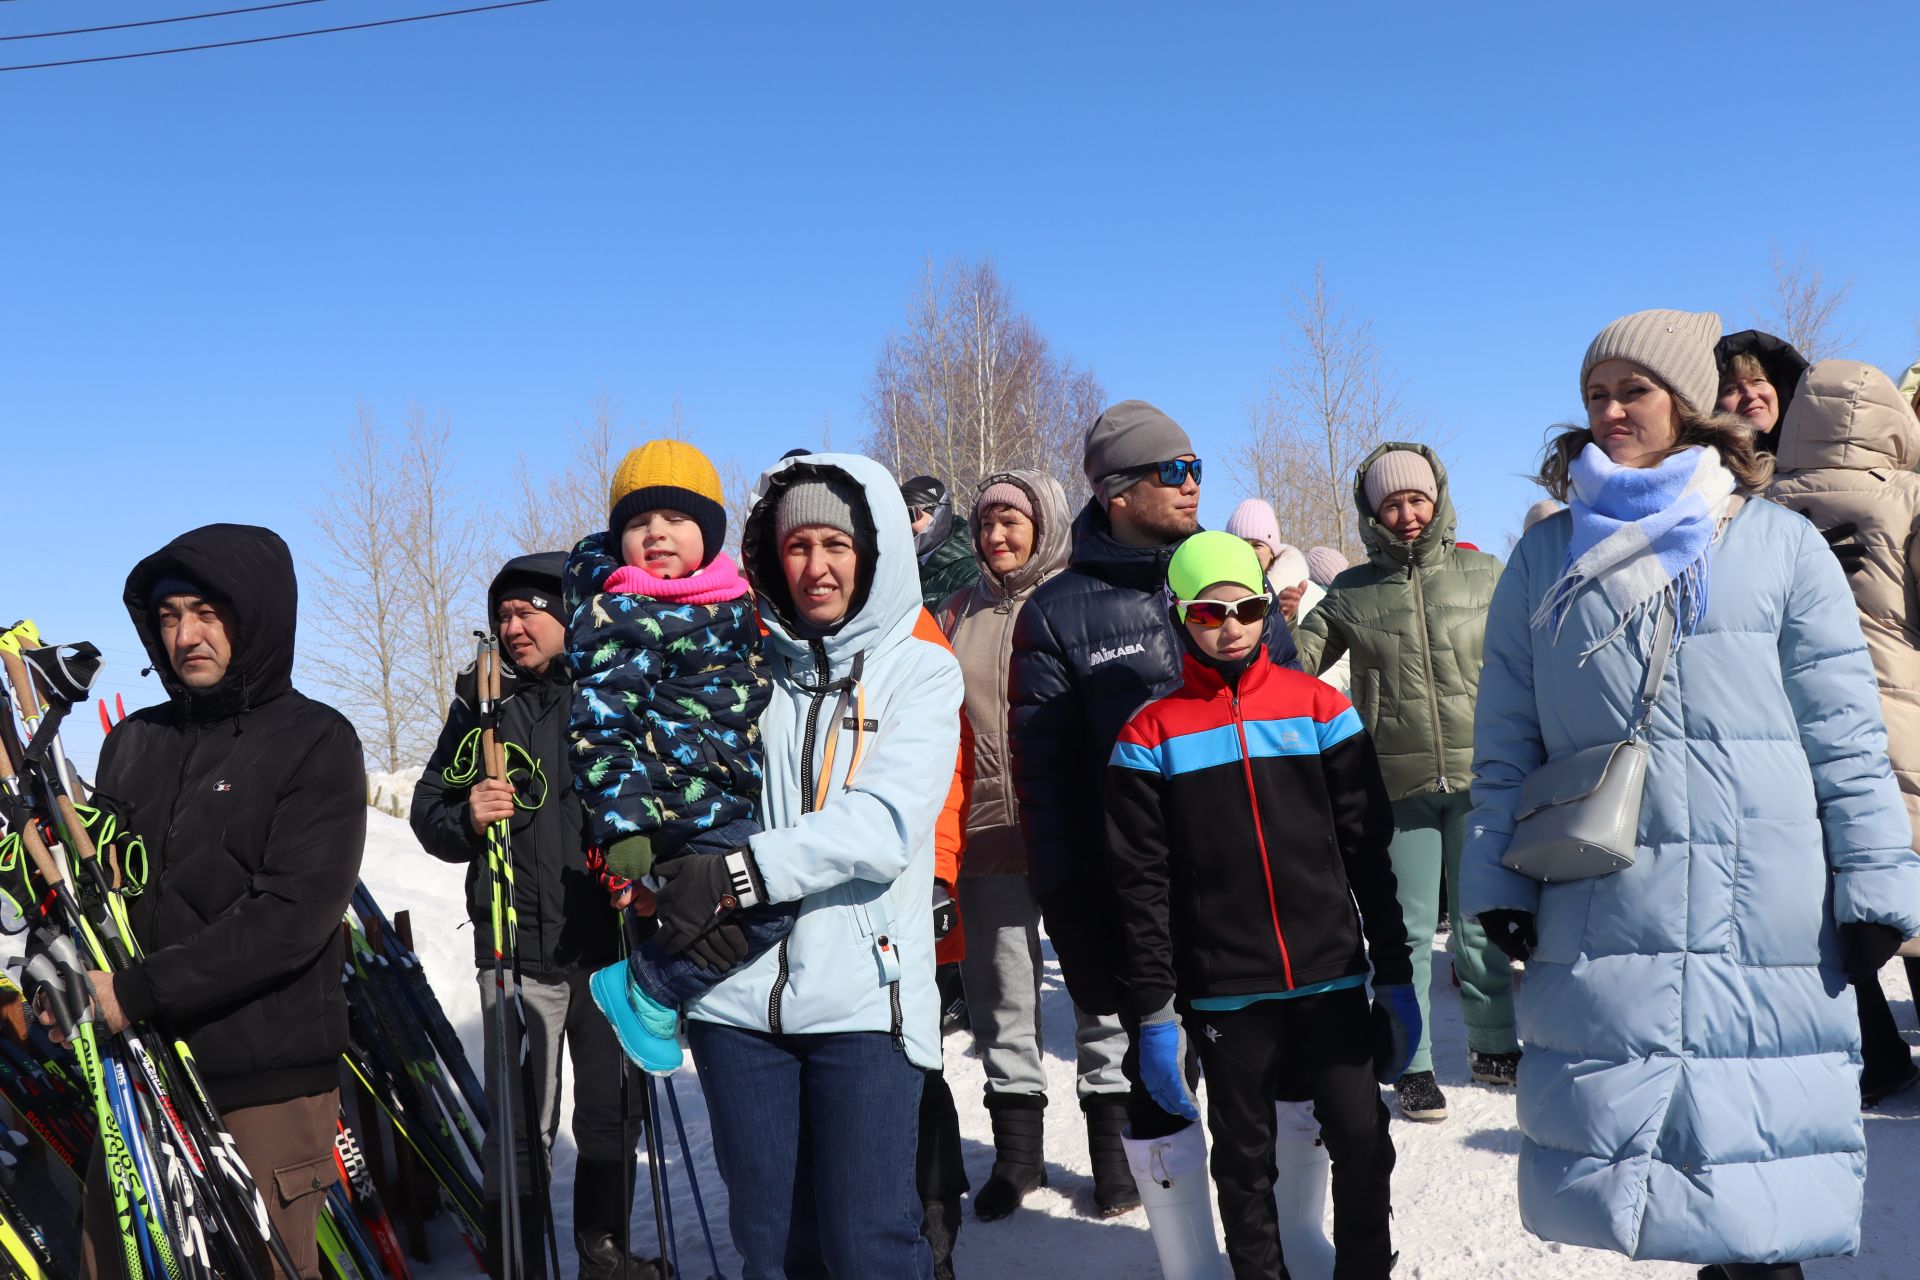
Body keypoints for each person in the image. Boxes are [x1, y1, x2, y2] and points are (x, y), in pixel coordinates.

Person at [1462, 309, 1920, 1278]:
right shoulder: (1543, 560)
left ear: (1685, 401)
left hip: (1765, 895)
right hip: (1607, 888)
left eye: (1634, 389)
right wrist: (1497, 881)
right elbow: (1504, 734)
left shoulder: (1778, 546)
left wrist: (1877, 881)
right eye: (1596, 394)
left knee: (1761, 1170)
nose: (1612, 409)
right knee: (1667, 1173)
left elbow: (1844, 731)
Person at [647, 453, 963, 1278]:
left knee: (869, 1246)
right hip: (737, 999)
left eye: (835, 544)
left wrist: (737, 876)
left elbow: (885, 825)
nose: (815, 567)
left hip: (866, 999)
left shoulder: (921, 671)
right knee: (775, 1249)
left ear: (875, 551)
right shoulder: (739, 668)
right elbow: (684, 792)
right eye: (796, 547)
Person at [1010, 400, 1299, 1227]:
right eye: (1172, 472)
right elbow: (1049, 781)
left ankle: (1266, 1253)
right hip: (1139, 906)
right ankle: (1177, 1250)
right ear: (1116, 494)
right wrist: (1068, 908)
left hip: (1253, 897)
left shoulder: (1236, 584)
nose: (1192, 484)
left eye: (1197, 468)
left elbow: (1292, 727)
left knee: (1269, 1102)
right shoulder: (1057, 612)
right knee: (1162, 1100)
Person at [1106, 531, 1417, 1280]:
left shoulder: (1320, 710)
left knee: (1364, 1143)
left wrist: (1398, 974)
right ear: (1181, 616)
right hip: (1226, 992)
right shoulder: (1148, 734)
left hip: (1332, 977)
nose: (1231, 625)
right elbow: (1139, 889)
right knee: (1243, 1167)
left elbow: (1368, 855)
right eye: (1209, 613)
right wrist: (1155, 1013)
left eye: (1245, 606)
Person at [62, 525, 366, 1280]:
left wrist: (139, 991)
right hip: (137, 1073)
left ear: (254, 613)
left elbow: (291, 917)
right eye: (168, 616)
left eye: (206, 611)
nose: (186, 634)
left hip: (260, 1079)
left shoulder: (317, 741)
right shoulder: (132, 741)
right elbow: (107, 891)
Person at [410, 553, 659, 1280]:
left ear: (570, 615)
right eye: (504, 616)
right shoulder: (481, 709)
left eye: (530, 611)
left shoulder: (613, 696)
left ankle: (603, 1254)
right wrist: (466, 813)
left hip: (608, 943)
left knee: (615, 1109)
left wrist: (644, 865)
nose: (514, 626)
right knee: (522, 1126)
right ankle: (518, 1261)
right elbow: (429, 811)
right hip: (516, 949)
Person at [1284, 443, 1516, 1123]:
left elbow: (1531, 654)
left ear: (1438, 499)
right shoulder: (1352, 592)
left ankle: (1495, 1044)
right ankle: (1412, 1064)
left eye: (1417, 499)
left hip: (1481, 778)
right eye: (1393, 502)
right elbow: (1294, 668)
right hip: (1399, 785)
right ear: (1373, 512)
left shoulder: (1486, 575)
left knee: (1481, 923)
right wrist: (1277, 616)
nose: (1408, 513)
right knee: (1409, 930)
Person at [935, 469, 1130, 1224]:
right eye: (985, 524)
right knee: (1001, 995)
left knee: (1097, 987)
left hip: (1076, 828)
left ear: (1045, 524)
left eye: (1012, 522)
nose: (996, 536)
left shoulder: (1082, 603)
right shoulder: (955, 614)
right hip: (987, 832)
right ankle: (1017, 1158)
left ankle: (1114, 1157)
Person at [558, 440, 775, 1079]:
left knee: (755, 899)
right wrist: (627, 840)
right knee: (771, 899)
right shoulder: (622, 612)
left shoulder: (732, 601)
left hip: (728, 796)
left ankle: (659, 988)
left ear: (708, 534)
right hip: (677, 809)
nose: (655, 534)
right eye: (637, 522)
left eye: (676, 520)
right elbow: (601, 732)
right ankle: (650, 986)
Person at [1765, 359, 1920, 1106]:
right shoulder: (1908, 500)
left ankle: (1873, 1056)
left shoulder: (1762, 511)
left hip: (1796, 731)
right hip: (1901, 726)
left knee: (1830, 904)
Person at [1713, 329, 1809, 454]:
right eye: (1731, 389)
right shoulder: (1703, 468)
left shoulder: (1821, 451)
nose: (1750, 395)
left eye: (1757, 381)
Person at [902, 475, 981, 609]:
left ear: (939, 513)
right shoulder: (901, 567)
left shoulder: (970, 573)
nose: (904, 525)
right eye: (899, 516)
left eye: (910, 515)